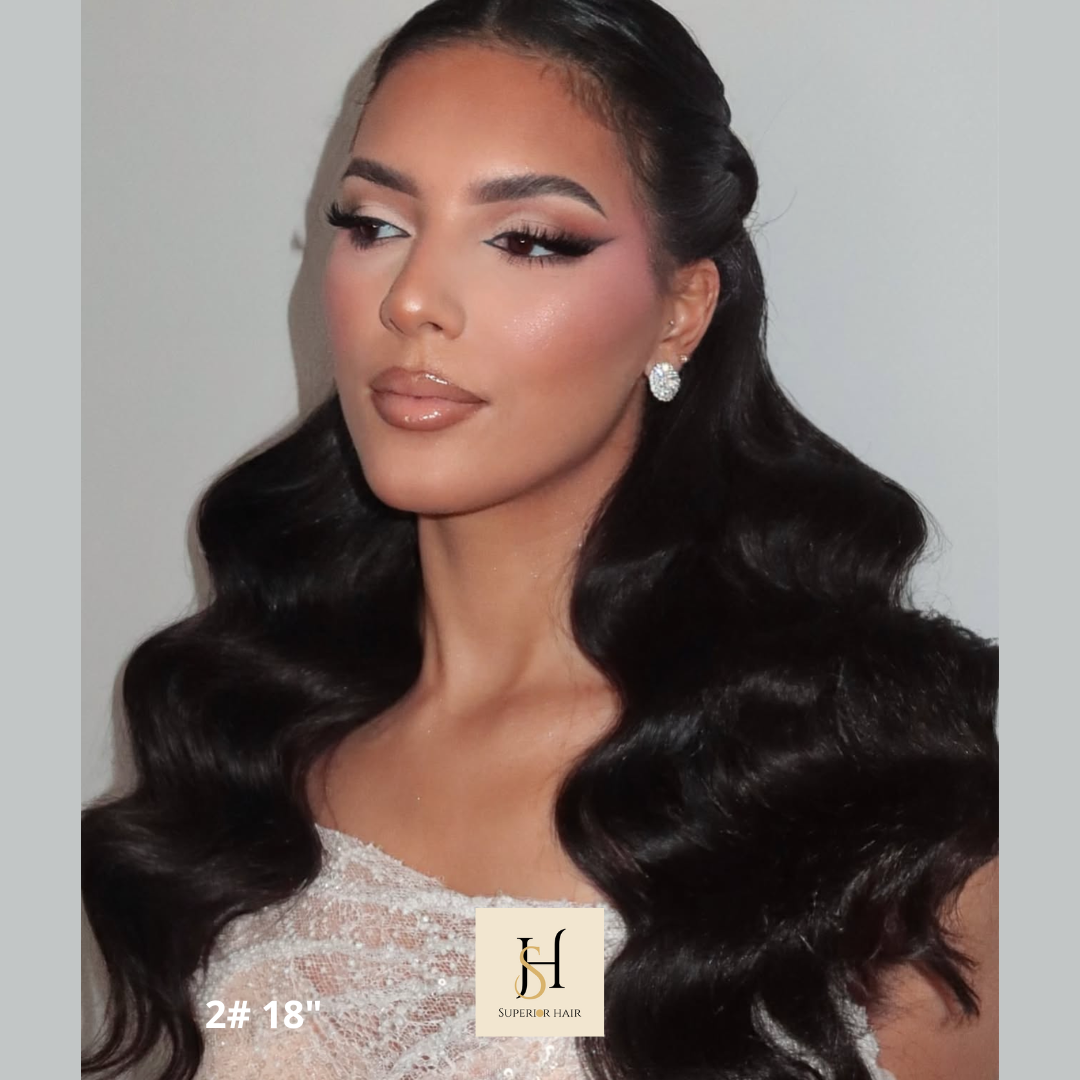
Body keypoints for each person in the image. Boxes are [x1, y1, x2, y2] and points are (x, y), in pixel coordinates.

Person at [81, 1, 999, 1078]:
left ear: (680, 310)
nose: (412, 301)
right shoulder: (242, 723)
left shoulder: (886, 785)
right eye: (374, 224)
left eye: (526, 240)